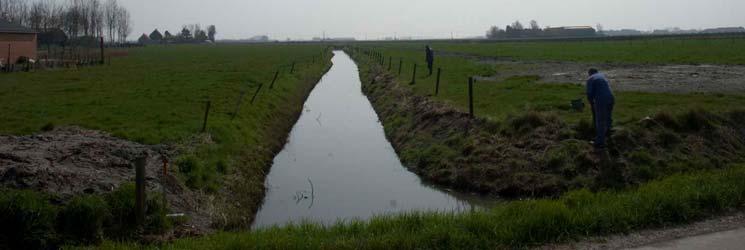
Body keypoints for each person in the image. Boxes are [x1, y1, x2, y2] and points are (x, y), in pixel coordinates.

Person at [586, 68, 615, 149]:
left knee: (600, 121)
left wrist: (591, 104)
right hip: (611, 98)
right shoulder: (602, 76)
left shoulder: (590, 79)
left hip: (601, 100)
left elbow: (589, 94)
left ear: (589, 73)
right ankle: (608, 133)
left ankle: (600, 142)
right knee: (608, 117)